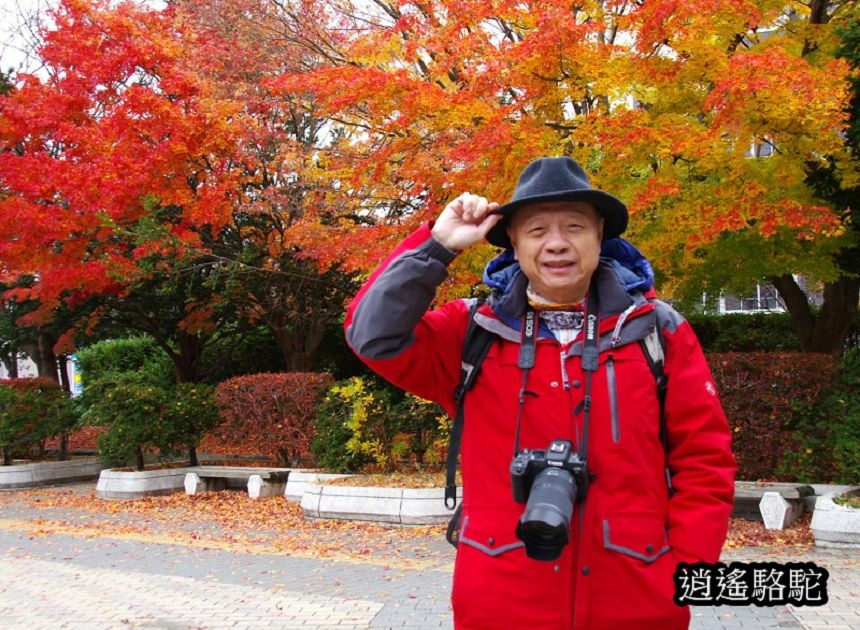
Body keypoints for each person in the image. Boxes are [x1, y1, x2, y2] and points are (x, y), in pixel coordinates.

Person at [345, 156, 736, 629]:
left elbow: (704, 459)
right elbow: (371, 336)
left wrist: (684, 571)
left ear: (599, 235)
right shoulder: (474, 331)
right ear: (513, 241)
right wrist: (437, 247)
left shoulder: (655, 329)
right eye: (536, 230)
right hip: (501, 602)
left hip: (636, 599)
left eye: (574, 226)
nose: (556, 244)